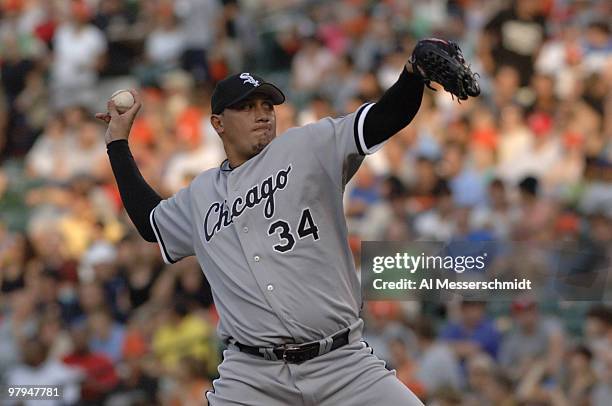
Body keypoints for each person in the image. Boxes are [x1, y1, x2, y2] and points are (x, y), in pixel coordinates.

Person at [96, 39, 479, 405]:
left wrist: (412, 75)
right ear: (218, 123)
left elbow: (383, 118)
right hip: (252, 377)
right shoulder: (199, 195)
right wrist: (117, 142)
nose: (262, 112)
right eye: (246, 107)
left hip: (342, 363)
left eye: (267, 104)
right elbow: (150, 223)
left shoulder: (308, 146)